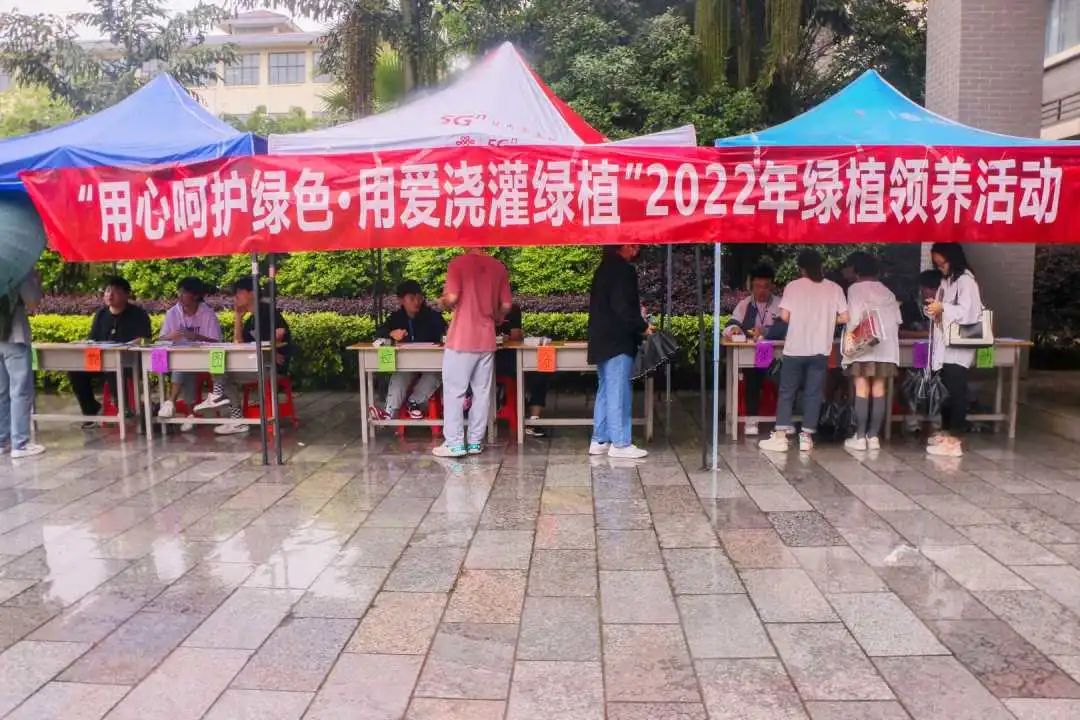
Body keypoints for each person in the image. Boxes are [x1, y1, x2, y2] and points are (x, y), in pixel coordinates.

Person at [759, 250, 848, 454]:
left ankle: (780, 437)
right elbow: (845, 317)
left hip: (795, 348)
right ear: (821, 266)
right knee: (814, 393)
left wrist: (804, 318)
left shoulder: (793, 286)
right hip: (820, 349)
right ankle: (807, 437)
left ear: (801, 268)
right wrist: (825, 319)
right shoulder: (834, 288)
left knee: (787, 391)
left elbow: (785, 316)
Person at [433, 248, 512, 458]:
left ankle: (455, 443)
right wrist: (497, 316)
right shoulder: (498, 267)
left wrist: (441, 302)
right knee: (482, 393)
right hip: (487, 339)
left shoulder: (457, 264)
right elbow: (506, 305)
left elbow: (452, 297)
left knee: (454, 392)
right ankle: (476, 441)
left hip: (461, 338)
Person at [194, 277, 293, 435]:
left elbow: (280, 332)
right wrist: (238, 316)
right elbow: (238, 342)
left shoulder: (267, 311)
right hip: (256, 365)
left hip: (271, 366)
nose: (236, 297)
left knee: (221, 373)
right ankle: (233, 415)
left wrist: (270, 351)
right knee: (218, 366)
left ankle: (219, 397)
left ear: (252, 293)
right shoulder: (250, 319)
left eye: (239, 292)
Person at [587, 244, 651, 460]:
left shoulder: (602, 268)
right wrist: (642, 326)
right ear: (621, 246)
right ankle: (621, 443)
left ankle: (600, 439)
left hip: (601, 339)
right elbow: (623, 307)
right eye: (632, 244)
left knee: (605, 389)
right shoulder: (624, 270)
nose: (636, 249)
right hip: (618, 340)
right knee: (619, 391)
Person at [924, 243, 983, 458]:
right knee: (946, 392)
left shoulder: (966, 281)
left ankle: (955, 438)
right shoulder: (947, 281)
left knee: (957, 392)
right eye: (937, 264)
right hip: (946, 344)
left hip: (959, 346)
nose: (941, 268)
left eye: (943, 263)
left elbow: (969, 312)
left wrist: (943, 308)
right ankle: (947, 432)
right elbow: (944, 308)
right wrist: (934, 308)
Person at [70, 276, 152, 427]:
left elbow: (145, 339)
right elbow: (92, 339)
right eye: (107, 291)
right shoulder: (101, 314)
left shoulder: (138, 314)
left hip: (130, 362)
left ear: (127, 295)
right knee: (76, 371)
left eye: (115, 292)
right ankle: (90, 410)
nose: (110, 295)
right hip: (100, 360)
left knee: (113, 368)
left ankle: (124, 408)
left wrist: (134, 342)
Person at [842, 254, 902, 452]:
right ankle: (874, 437)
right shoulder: (888, 292)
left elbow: (853, 318)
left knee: (861, 388)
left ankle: (860, 437)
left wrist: (848, 341)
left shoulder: (855, 289)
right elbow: (898, 320)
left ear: (856, 271)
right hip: (886, 347)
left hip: (864, 344)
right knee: (879, 388)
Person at [369, 279, 447, 422]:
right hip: (407, 364)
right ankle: (389, 414)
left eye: (419, 298)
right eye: (411, 298)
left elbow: (446, 332)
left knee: (437, 373)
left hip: (431, 364)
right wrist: (391, 334)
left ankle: (413, 402)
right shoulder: (396, 318)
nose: (416, 302)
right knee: (400, 374)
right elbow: (378, 334)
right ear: (401, 300)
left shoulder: (433, 317)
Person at [724, 264, 783, 436]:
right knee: (753, 375)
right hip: (753, 350)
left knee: (781, 377)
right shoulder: (745, 304)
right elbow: (730, 324)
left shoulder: (780, 304)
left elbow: (786, 327)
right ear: (751, 287)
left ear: (772, 286)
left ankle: (781, 421)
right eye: (757, 286)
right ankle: (751, 419)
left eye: (766, 287)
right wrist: (734, 330)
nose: (761, 291)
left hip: (777, 352)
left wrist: (765, 332)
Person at [156, 277, 222, 431]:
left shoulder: (207, 313)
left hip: (205, 358)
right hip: (179, 359)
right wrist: (170, 336)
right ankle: (189, 414)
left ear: (196, 295)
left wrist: (197, 337)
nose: (180, 296)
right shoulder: (173, 312)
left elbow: (217, 341)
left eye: (184, 292)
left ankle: (171, 402)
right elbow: (160, 340)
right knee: (179, 365)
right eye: (179, 292)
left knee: (186, 366)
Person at [0, 269, 45, 458]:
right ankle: (20, 443)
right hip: (14, 336)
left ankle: (2, 441)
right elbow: (33, 301)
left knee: (1, 391)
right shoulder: (18, 268)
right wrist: (36, 280)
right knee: (20, 390)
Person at [899, 270, 943, 436]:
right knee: (913, 380)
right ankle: (912, 419)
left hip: (939, 356)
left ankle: (935, 420)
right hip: (914, 353)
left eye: (934, 289)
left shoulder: (944, 308)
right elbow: (900, 332)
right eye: (927, 288)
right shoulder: (909, 307)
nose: (929, 292)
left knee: (938, 382)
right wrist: (928, 334)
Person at [496, 302, 550, 437]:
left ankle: (533, 419)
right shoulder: (477, 306)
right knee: (538, 371)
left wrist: (506, 338)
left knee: (540, 369)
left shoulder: (512, 309)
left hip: (509, 357)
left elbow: (516, 336)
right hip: (486, 359)